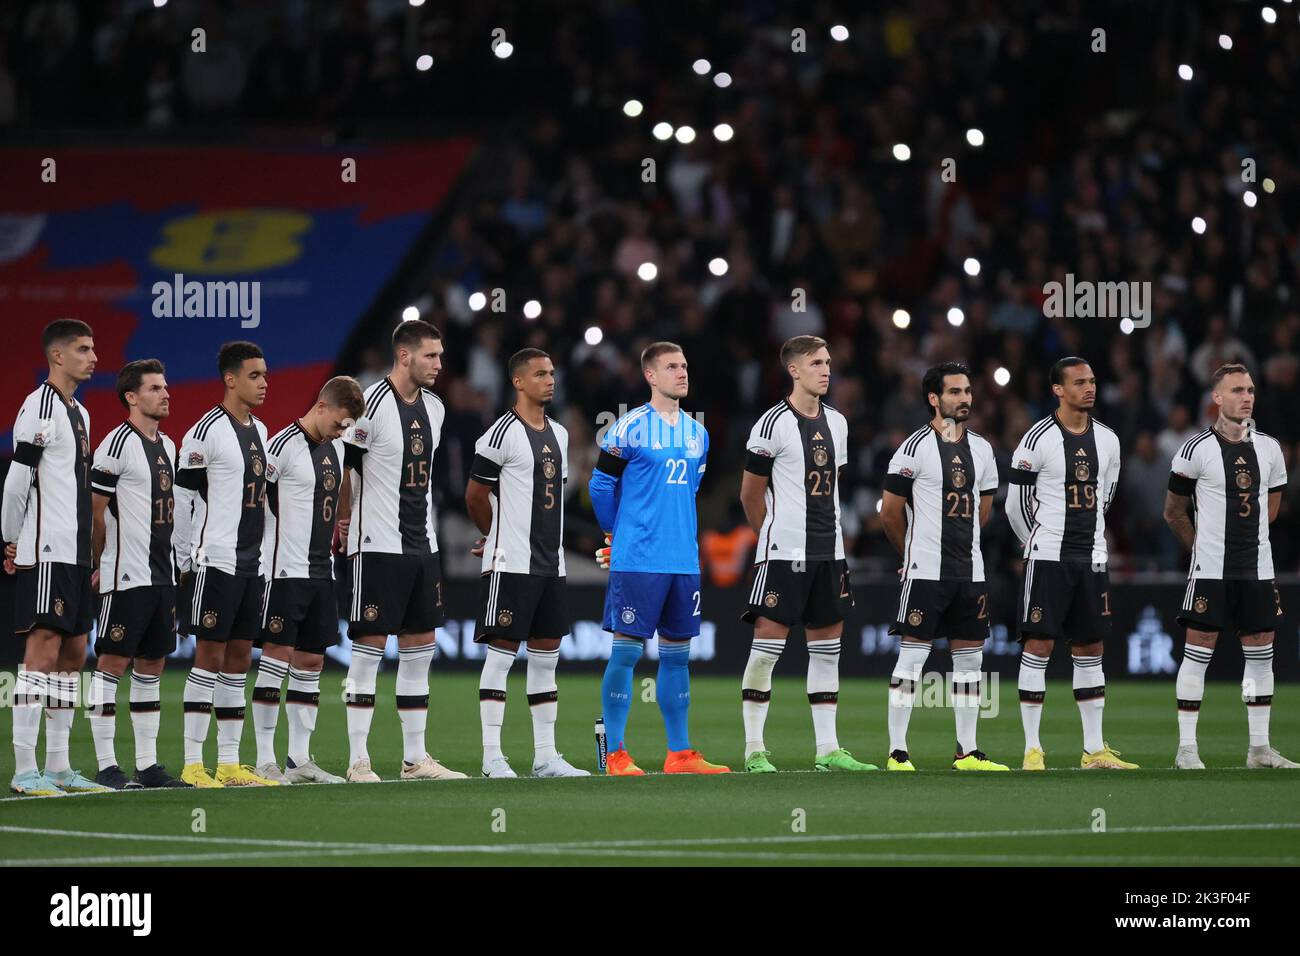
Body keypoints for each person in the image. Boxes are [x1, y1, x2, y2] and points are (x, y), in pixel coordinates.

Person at [589, 342, 729, 775]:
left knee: (677, 656)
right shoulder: (627, 428)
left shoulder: (698, 434)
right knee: (627, 653)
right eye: (671, 367)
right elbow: (599, 486)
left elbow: (688, 492)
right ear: (650, 375)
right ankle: (614, 753)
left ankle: (680, 753)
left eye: (684, 365)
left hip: (683, 560)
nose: (682, 373)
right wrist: (617, 535)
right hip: (639, 559)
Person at [737, 335, 874, 773]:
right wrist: (773, 538)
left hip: (829, 554)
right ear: (794, 370)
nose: (826, 369)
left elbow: (832, 488)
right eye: (816, 363)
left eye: (829, 362)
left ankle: (828, 750)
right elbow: (749, 495)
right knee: (766, 651)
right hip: (783, 553)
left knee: (828, 651)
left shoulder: (838, 423)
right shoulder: (771, 424)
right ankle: (754, 749)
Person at [340, 320, 467, 782]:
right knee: (369, 649)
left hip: (423, 544)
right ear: (404, 355)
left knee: (419, 649)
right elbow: (343, 469)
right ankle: (358, 760)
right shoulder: (366, 404)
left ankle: (415, 759)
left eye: (440, 355)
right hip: (376, 544)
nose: (439, 364)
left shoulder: (435, 407)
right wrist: (340, 520)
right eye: (431, 356)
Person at [1164, 363, 1298, 769]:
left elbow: (1271, 508)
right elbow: (1173, 512)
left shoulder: (1270, 449)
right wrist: (1201, 546)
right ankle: (1187, 749)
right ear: (1217, 397)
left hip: (1257, 568)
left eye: (1251, 390)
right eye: (1238, 390)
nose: (1247, 397)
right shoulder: (1195, 450)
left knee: (1261, 655)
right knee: (1198, 651)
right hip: (1210, 570)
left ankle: (1259, 749)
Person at [1007, 357, 1137, 770]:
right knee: (1039, 645)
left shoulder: (1110, 441)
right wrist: (1036, 542)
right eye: (1079, 382)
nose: (1090, 388)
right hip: (1048, 558)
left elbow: (1107, 496)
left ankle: (1094, 749)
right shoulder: (1037, 439)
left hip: (1092, 559)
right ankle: (1032, 748)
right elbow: (1016, 505)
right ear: (1058, 390)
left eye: (1093, 381)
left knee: (1090, 647)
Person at [880, 362, 1007, 771]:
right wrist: (911, 554)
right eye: (954, 392)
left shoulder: (983, 450)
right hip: (925, 572)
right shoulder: (914, 447)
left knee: (971, 662)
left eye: (967, 391)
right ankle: (898, 751)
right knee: (912, 661)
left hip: (970, 572)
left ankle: (966, 750)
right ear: (934, 398)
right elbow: (889, 512)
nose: (964, 398)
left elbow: (983, 511)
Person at [466, 349, 588, 778]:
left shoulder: (560, 433)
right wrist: (493, 534)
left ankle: (545, 756)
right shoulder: (500, 434)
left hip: (550, 565)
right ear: (519, 382)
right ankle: (491, 757)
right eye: (540, 374)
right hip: (510, 561)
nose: (550, 380)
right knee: (501, 655)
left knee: (546, 657)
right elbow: (475, 496)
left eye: (553, 373)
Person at [3, 320, 107, 795]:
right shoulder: (38, 406)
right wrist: (9, 537)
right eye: (84, 349)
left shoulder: (80, 414)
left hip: (75, 553)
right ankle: (26, 770)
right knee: (42, 649)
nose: (93, 357)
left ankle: (60, 767)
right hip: (46, 549)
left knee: (73, 652)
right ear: (58, 356)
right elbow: (17, 479)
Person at [250, 376, 366, 784]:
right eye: (340, 422)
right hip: (282, 570)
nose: (342, 431)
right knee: (276, 658)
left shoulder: (337, 447)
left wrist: (344, 519)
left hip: (321, 572)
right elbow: (253, 501)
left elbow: (344, 485)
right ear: (322, 405)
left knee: (311, 662)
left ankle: (299, 760)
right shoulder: (279, 447)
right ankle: (265, 759)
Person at [173, 341, 277, 787]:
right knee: (209, 654)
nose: (264, 383)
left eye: (266, 375)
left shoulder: (261, 431)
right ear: (230, 379)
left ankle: (231, 763)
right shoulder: (204, 432)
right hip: (214, 559)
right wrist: (182, 558)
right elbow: (182, 499)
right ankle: (193, 763)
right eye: (254, 375)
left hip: (251, 564)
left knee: (239, 657)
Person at [86, 359, 189, 789]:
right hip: (125, 576)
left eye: (165, 387)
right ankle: (107, 765)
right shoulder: (114, 444)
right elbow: (95, 513)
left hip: (162, 576)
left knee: (151, 667)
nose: (166, 394)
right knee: (110, 664)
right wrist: (100, 563)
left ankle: (147, 766)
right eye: (155, 388)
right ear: (132, 396)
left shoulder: (168, 446)